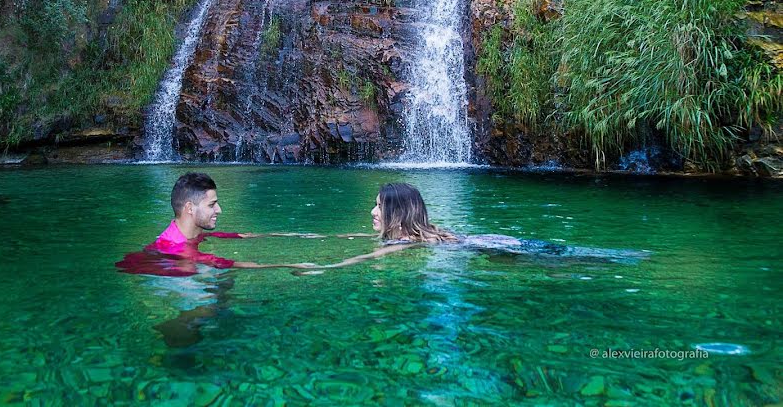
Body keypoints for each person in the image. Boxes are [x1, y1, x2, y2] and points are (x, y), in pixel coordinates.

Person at [317, 182, 648, 269]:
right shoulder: (422, 234)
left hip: (492, 247)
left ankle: (623, 257)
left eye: (378, 205)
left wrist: (320, 266)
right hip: (494, 241)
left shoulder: (408, 243)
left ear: (397, 213)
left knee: (569, 260)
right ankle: (624, 256)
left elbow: (369, 259)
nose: (372, 211)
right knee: (567, 255)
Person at [116, 171, 315, 276]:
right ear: (189, 208)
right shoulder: (177, 249)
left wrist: (283, 235)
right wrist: (288, 264)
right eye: (212, 204)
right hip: (177, 282)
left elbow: (219, 236)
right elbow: (227, 263)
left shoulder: (185, 232)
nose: (219, 210)